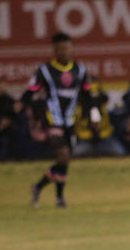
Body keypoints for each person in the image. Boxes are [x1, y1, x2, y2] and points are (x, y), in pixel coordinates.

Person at [24, 31, 91, 208]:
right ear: (54, 50)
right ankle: (57, 197)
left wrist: (94, 116)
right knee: (63, 155)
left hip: (70, 120)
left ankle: (44, 190)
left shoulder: (80, 69)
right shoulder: (45, 71)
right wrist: (22, 104)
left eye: (66, 48)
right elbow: (31, 90)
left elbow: (88, 95)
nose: (63, 52)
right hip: (52, 119)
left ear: (71, 49)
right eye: (60, 48)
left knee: (65, 160)